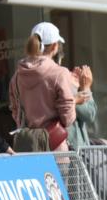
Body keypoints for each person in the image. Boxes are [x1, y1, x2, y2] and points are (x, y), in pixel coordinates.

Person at [9, 22, 76, 152]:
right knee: (56, 173)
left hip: (27, 146)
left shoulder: (17, 76)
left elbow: (15, 110)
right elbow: (68, 118)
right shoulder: (59, 73)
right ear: (55, 46)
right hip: (54, 146)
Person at [66, 65, 97, 152]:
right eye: (71, 73)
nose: (78, 73)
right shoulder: (68, 94)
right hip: (73, 152)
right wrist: (86, 88)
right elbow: (90, 114)